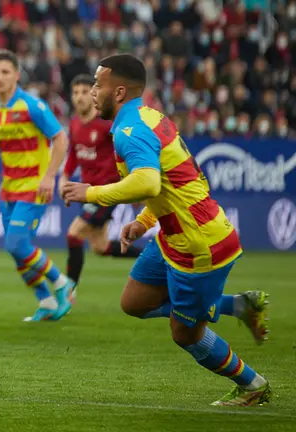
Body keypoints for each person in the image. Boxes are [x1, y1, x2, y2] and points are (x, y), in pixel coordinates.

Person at [61, 54, 271, 407]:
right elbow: (169, 183)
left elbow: (147, 181)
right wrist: (143, 221)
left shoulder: (130, 130)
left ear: (120, 91)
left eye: (98, 84)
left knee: (185, 333)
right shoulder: (148, 116)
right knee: (134, 302)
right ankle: (238, 306)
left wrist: (91, 193)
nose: (93, 91)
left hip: (198, 245)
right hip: (173, 236)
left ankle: (253, 385)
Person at [0, 49, 76, 322]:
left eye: (4, 72)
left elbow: (60, 139)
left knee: (16, 243)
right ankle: (45, 301)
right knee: (16, 250)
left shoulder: (32, 106)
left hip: (35, 186)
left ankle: (62, 283)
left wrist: (50, 177)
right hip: (8, 188)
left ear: (16, 75)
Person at [59, 74, 143, 288]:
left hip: (107, 191)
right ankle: (152, 257)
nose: (79, 97)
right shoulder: (76, 123)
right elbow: (73, 156)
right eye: (75, 92)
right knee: (100, 246)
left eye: (85, 92)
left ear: (94, 93)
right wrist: (64, 178)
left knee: (74, 233)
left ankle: (68, 292)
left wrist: (137, 182)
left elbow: (128, 149)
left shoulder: (106, 125)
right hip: (89, 191)